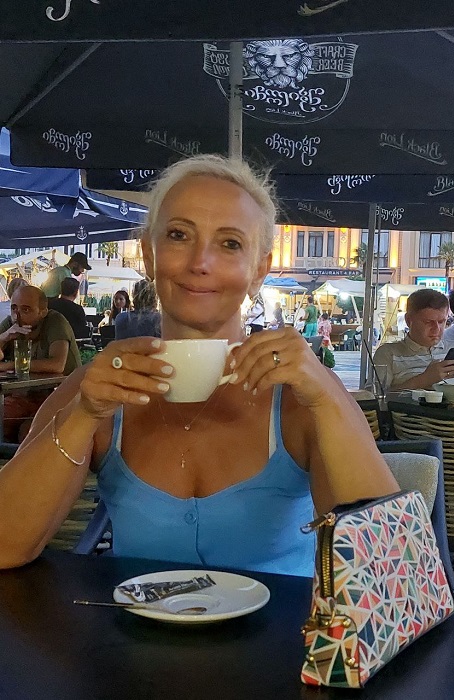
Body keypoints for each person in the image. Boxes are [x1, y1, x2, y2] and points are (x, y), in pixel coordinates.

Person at [0, 154, 398, 573]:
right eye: (178, 235)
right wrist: (83, 414)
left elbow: (392, 578)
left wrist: (328, 402)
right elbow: (6, 547)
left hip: (283, 621)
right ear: (149, 254)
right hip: (130, 619)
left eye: (230, 243)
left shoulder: (301, 397)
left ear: (258, 270)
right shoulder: (101, 387)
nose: (200, 263)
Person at [373, 288, 454, 393]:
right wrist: (422, 380)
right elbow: (374, 399)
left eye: (441, 322)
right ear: (408, 320)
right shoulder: (388, 353)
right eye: (428, 322)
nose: (437, 329)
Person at [0, 285, 81, 441]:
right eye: (14, 308)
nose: (17, 315)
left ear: (43, 312)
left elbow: (57, 365)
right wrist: (4, 338)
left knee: (26, 430)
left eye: (26, 309)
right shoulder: (11, 324)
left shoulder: (55, 321)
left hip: (60, 396)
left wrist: (10, 365)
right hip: (25, 395)